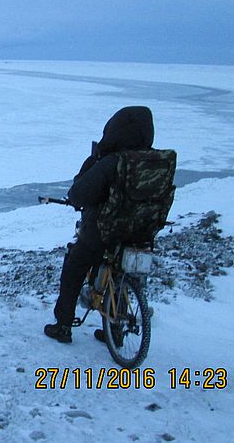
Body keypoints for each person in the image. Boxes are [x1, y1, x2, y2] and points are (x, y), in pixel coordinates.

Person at [44, 106, 156, 343]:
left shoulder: (112, 161)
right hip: (140, 232)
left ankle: (63, 325)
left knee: (75, 265)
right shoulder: (155, 161)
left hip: (104, 232)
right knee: (123, 271)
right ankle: (115, 330)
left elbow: (80, 193)